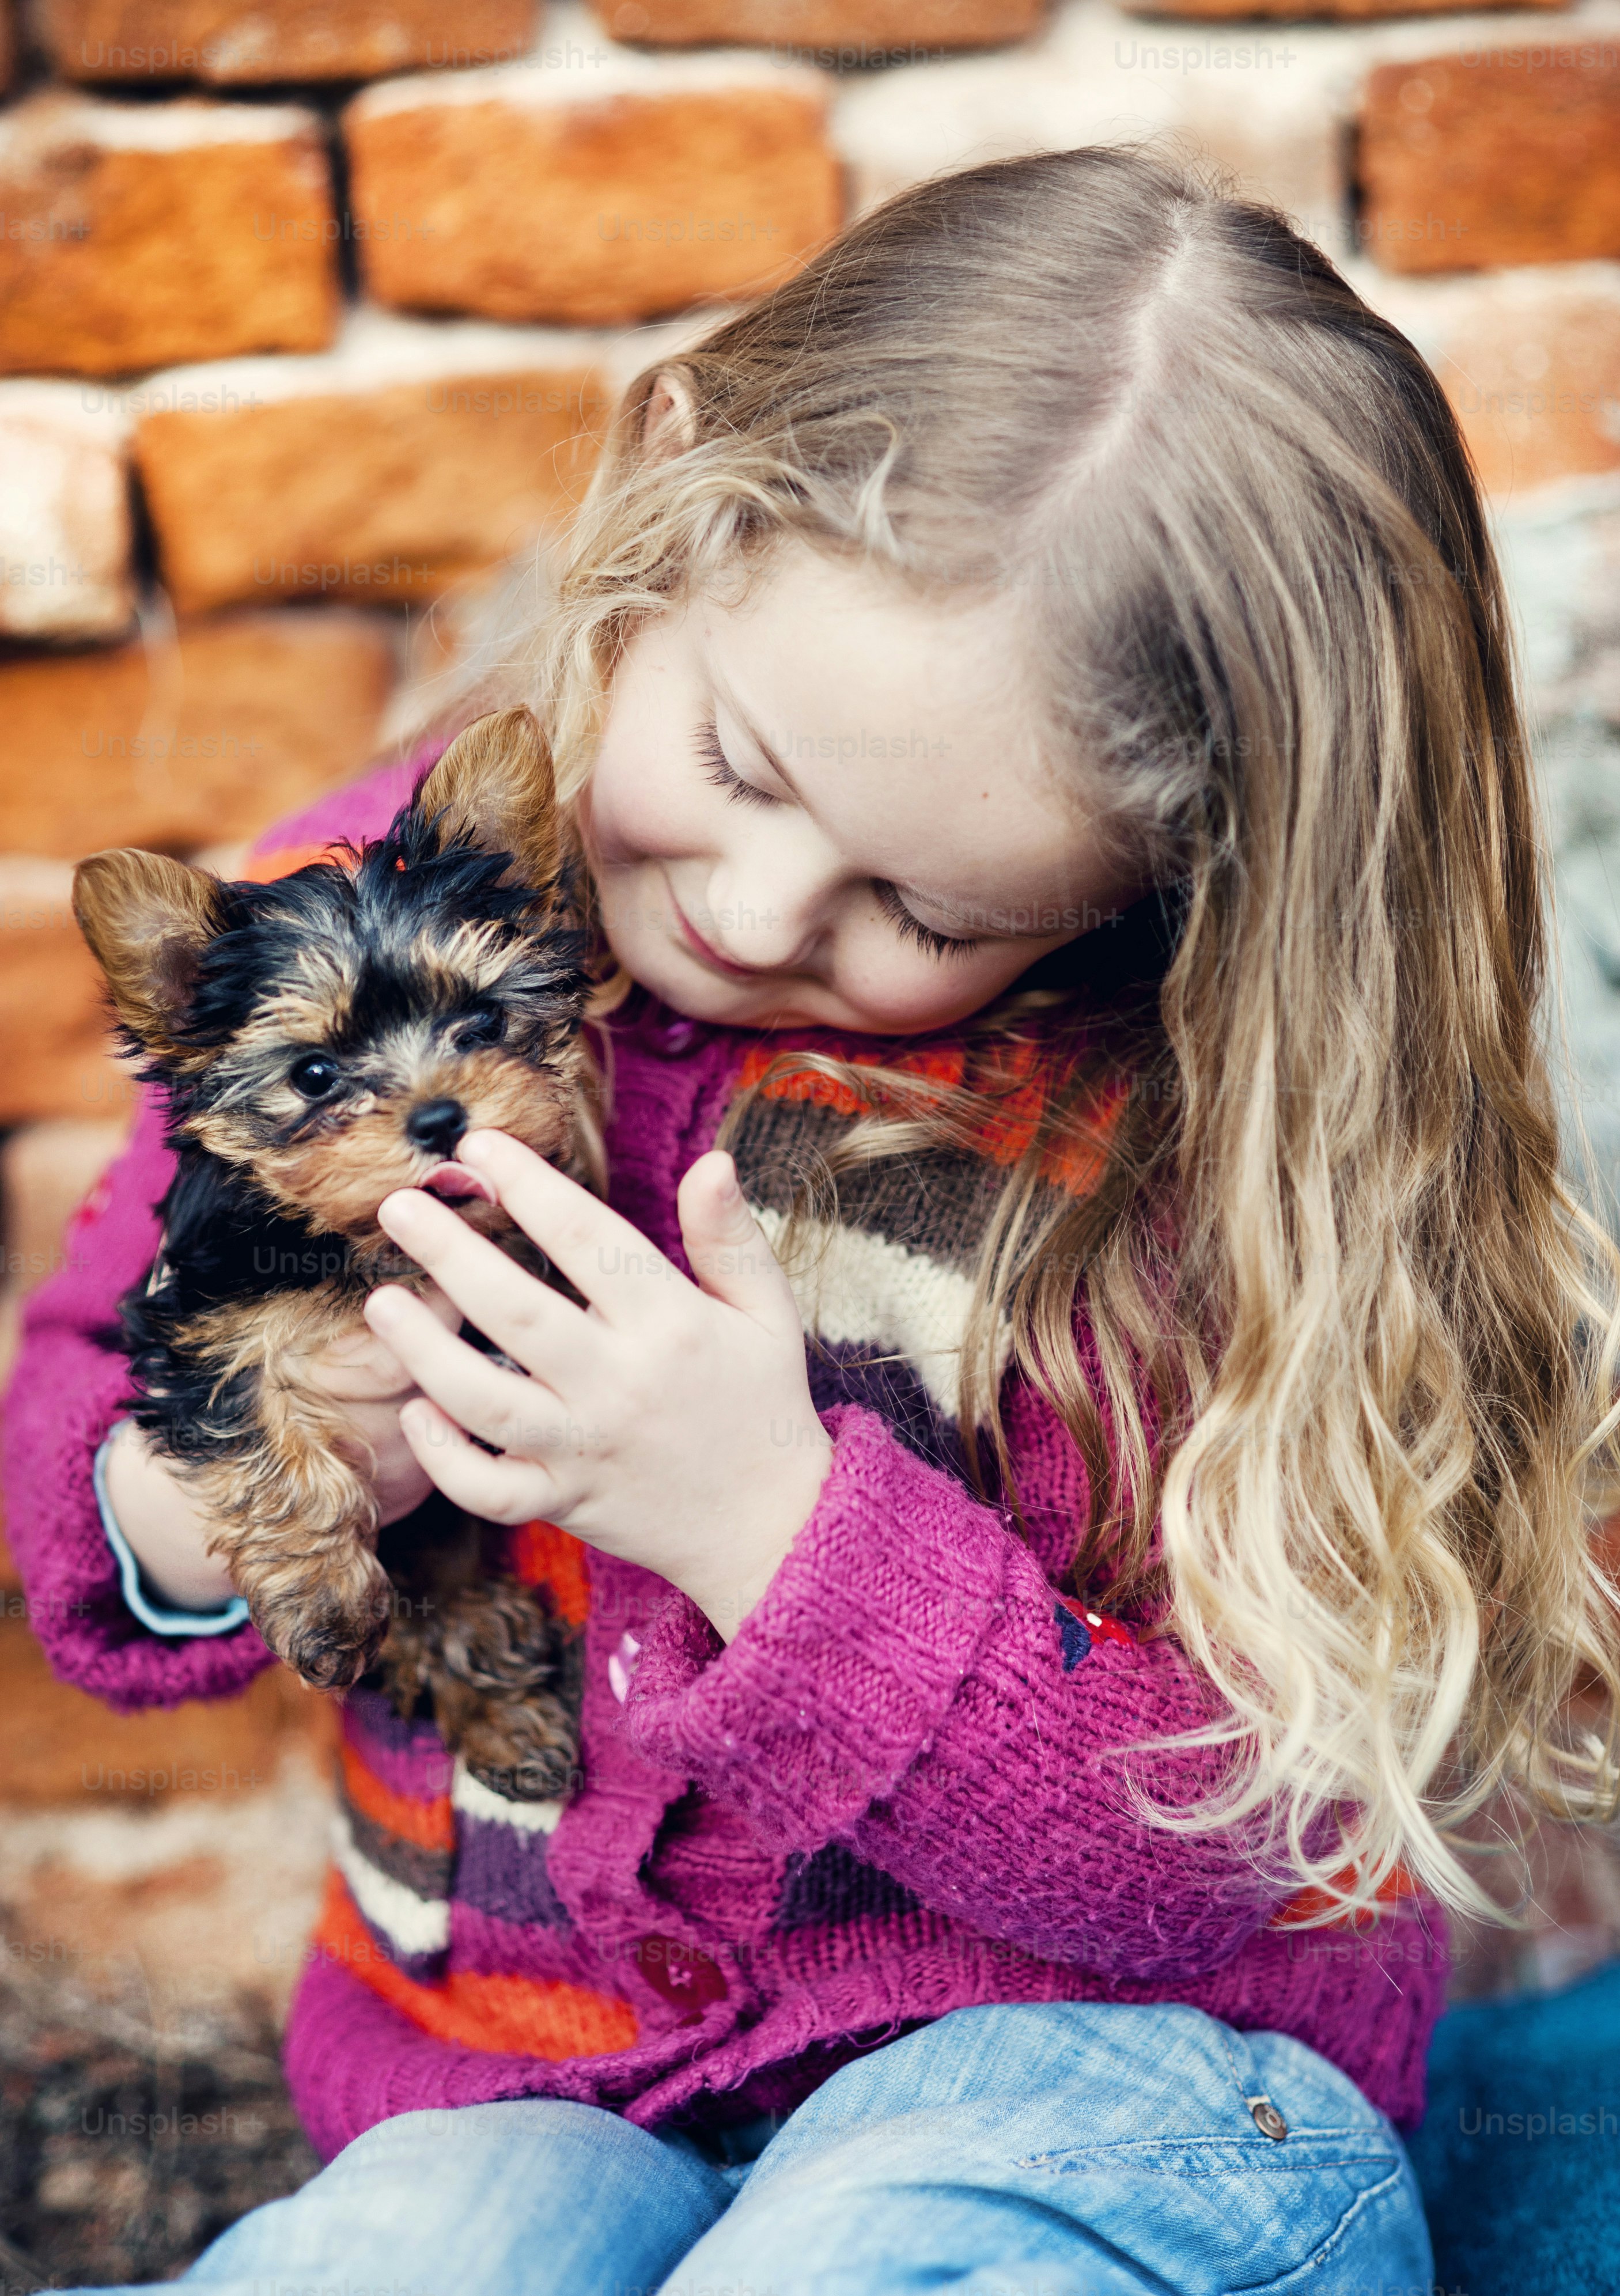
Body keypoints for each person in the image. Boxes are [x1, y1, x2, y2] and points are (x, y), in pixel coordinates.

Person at [10, 146, 1620, 2296]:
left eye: (929, 906)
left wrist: (771, 1527)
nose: (758, 913)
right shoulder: (365, 920)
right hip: (515, 2085)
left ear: (1157, 884)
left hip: (1106, 2083)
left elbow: (1228, 1852)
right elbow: (85, 1428)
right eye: (739, 762)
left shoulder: (1198, 1142)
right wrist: (205, 1495)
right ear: (675, 494)